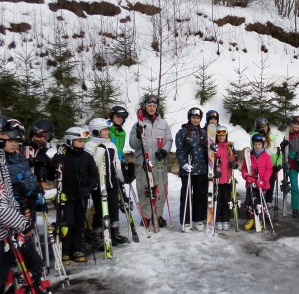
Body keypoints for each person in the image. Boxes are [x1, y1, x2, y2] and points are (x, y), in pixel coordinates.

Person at [0, 117, 40, 294]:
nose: (10, 142)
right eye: (5, 136)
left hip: (8, 225)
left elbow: (6, 195)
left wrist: (18, 211)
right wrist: (23, 223)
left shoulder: (4, 160)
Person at [51, 127, 98, 264]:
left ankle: (77, 249)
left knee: (79, 222)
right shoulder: (63, 155)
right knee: (66, 223)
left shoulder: (87, 157)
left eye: (84, 141)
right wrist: (54, 163)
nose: (83, 143)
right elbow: (51, 174)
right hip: (67, 196)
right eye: (79, 141)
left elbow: (94, 176)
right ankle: (65, 251)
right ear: (70, 141)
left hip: (81, 195)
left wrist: (88, 188)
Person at [129, 95, 173, 228]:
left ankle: (158, 215)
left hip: (159, 163)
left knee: (160, 190)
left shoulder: (163, 124)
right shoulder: (138, 124)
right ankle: (147, 216)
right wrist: (138, 135)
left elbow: (169, 140)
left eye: (154, 106)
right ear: (145, 106)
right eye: (149, 106)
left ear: (157, 107)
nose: (152, 108)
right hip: (143, 163)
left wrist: (165, 151)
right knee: (144, 190)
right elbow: (133, 145)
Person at [85, 118, 129, 249]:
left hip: (111, 182)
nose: (108, 132)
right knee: (99, 210)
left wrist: (122, 177)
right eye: (105, 130)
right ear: (96, 131)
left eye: (107, 130)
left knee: (113, 208)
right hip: (98, 184)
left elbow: (116, 164)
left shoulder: (111, 145)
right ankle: (96, 235)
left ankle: (114, 233)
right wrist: (100, 149)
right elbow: (93, 164)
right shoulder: (89, 146)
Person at [175, 108, 208, 232]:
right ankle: (186, 221)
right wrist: (184, 164)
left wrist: (211, 149)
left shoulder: (203, 133)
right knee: (186, 195)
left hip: (201, 170)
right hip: (187, 170)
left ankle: (198, 219)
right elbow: (179, 150)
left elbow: (206, 150)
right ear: (190, 117)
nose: (195, 120)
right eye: (193, 117)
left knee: (200, 195)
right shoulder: (182, 132)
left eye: (198, 118)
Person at [241, 134, 272, 230]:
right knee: (249, 201)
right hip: (251, 183)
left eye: (259, 144)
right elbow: (244, 168)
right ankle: (250, 218)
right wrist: (246, 176)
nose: (257, 146)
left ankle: (260, 218)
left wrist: (263, 181)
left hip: (262, 184)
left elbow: (269, 170)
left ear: (262, 145)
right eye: (255, 144)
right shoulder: (249, 156)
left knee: (260, 202)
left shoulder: (266, 156)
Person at [252, 117, 283, 207]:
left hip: (272, 163)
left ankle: (269, 201)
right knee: (261, 182)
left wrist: (279, 162)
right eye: (261, 127)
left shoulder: (272, 135)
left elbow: (278, 150)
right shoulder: (255, 136)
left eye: (265, 126)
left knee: (270, 183)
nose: (264, 128)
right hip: (261, 164)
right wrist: (260, 135)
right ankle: (259, 199)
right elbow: (253, 147)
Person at [213, 126, 238, 231]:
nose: (221, 137)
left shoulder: (230, 147)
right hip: (218, 179)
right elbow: (210, 162)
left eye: (223, 135)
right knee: (218, 201)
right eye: (219, 136)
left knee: (227, 201)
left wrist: (234, 164)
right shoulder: (214, 148)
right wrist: (214, 171)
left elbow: (235, 160)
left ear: (226, 136)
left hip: (227, 179)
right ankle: (218, 220)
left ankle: (226, 220)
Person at [21, 119, 55, 185]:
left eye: (46, 136)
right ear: (33, 133)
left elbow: (51, 177)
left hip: (36, 190)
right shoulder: (22, 147)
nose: (42, 138)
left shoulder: (43, 156)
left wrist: (53, 165)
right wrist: (31, 161)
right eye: (39, 135)